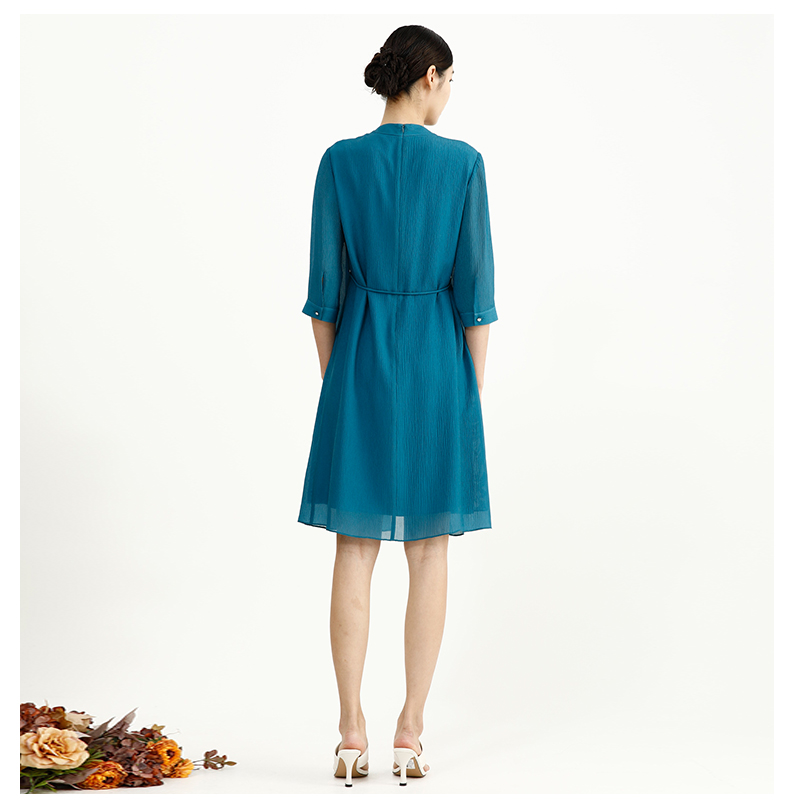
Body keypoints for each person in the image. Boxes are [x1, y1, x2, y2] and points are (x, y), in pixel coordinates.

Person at [297, 24, 498, 787]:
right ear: (430, 75)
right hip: (439, 369)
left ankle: (350, 729)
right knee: (430, 550)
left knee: (353, 549)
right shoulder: (464, 164)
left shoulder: (339, 162)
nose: (449, 95)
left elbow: (324, 296)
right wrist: (467, 395)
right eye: (450, 80)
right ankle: (411, 729)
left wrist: (341, 383)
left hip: (358, 365)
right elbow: (475, 297)